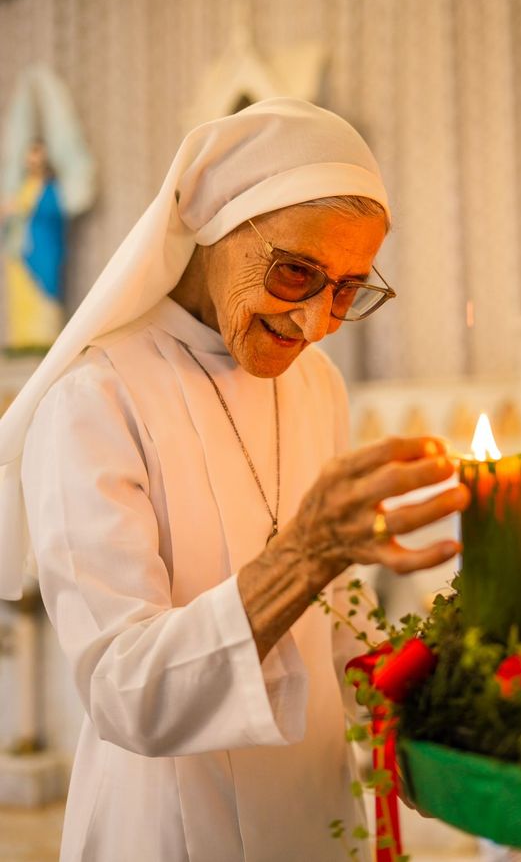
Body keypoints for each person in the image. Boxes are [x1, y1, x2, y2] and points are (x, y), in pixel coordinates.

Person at [0, 98, 469, 862]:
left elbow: (340, 620)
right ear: (218, 222)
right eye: (296, 273)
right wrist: (303, 555)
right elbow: (124, 691)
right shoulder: (94, 398)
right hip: (169, 825)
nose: (317, 322)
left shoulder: (318, 385)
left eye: (347, 289)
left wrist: (442, 693)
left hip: (315, 811)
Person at [0, 138, 67, 353]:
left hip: (42, 250)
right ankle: (25, 340)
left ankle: (44, 338)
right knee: (23, 298)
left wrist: (23, 207)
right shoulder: (23, 187)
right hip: (22, 252)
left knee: (45, 295)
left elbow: (53, 213)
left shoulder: (50, 189)